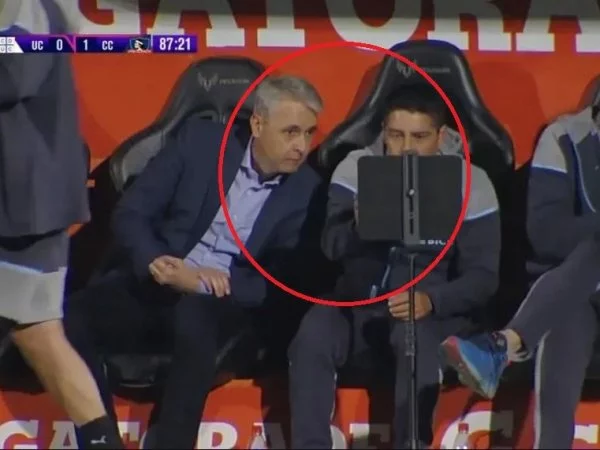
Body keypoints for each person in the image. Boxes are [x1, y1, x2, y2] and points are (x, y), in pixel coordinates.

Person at [63, 75, 324, 448]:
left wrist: (200, 282)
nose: (301, 146)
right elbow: (132, 213)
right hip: (157, 280)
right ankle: (100, 440)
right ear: (258, 124)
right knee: (72, 317)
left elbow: (282, 283)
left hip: (224, 304)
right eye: (291, 132)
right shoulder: (200, 143)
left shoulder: (307, 190)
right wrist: (155, 260)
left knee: (195, 315)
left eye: (309, 133)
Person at [288, 84, 502, 448]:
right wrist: (357, 228)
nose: (406, 148)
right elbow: (331, 246)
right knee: (313, 334)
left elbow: (483, 277)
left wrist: (431, 301)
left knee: (412, 339)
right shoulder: (356, 168)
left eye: (419, 137)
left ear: (441, 136)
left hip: (429, 313)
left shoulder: (472, 182)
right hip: (358, 305)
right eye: (396, 135)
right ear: (383, 132)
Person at [0, 0, 124, 448]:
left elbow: (14, 75)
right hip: (25, 205)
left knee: (41, 334)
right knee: (39, 334)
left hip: (22, 209)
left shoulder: (24, 8)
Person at [440, 104, 600, 448]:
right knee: (568, 313)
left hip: (572, 281)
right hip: (578, 290)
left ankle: (504, 345)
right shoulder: (565, 137)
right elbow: (547, 236)